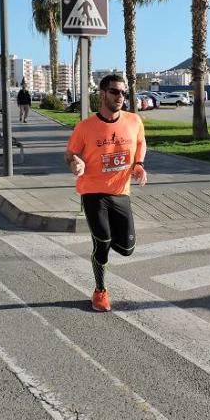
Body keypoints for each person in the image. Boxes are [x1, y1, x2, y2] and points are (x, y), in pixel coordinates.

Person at [64, 74, 147, 312]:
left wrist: (139, 164)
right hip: (93, 192)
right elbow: (70, 154)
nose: (120, 97)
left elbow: (141, 143)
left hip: (121, 192)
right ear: (102, 94)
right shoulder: (85, 127)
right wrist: (75, 164)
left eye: (123, 93)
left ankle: (102, 241)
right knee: (103, 242)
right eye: (115, 92)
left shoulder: (133, 121)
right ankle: (100, 291)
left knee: (128, 248)